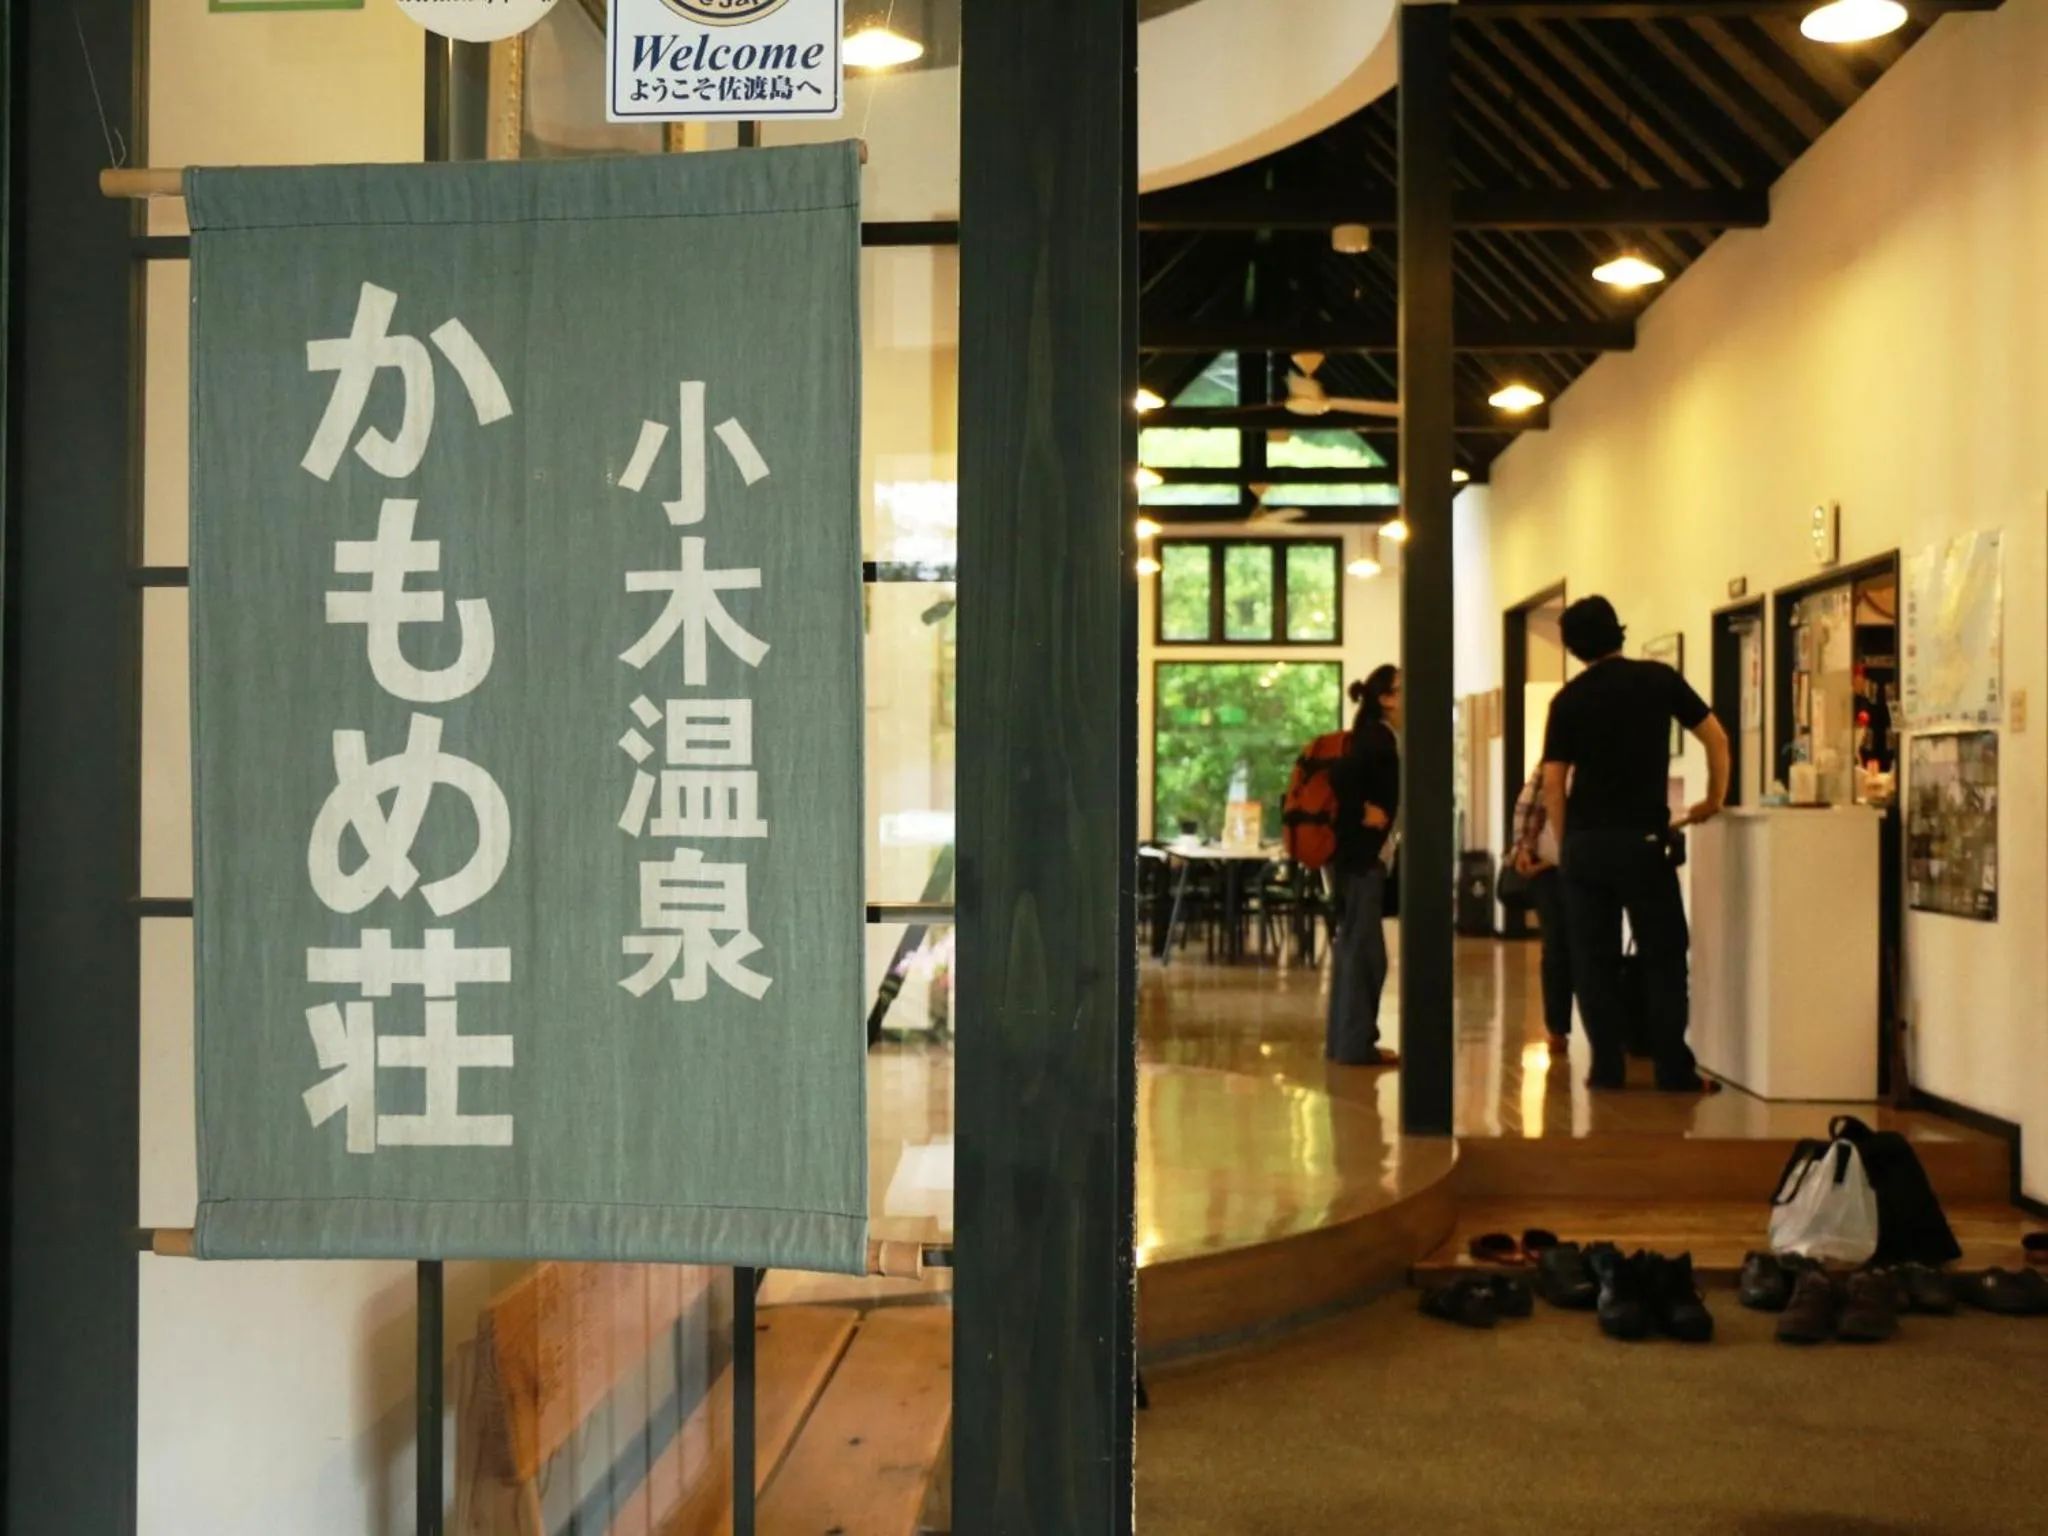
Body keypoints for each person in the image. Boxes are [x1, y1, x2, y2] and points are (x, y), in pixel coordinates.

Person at [1541, 597, 1729, 1093]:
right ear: (1618, 633)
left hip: (1585, 845)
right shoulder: (1658, 680)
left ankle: (1606, 1068)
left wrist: (1567, 845)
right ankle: (1672, 1069)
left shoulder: (1567, 701)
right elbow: (1716, 739)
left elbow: (1553, 783)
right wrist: (1713, 797)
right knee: (1665, 956)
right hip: (1643, 842)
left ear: (1575, 648)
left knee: (1592, 959)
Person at [1327, 665, 1402, 1068]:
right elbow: (1341, 775)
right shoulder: (1377, 740)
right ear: (1386, 699)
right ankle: (1355, 1045)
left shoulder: (1375, 736)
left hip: (1358, 860)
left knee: (1357, 950)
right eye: (1402, 690)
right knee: (1365, 954)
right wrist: (1361, 810)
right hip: (1361, 861)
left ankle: (1345, 1041)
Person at [1508, 762, 1573, 1053]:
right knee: (1556, 946)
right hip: (1548, 869)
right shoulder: (1552, 762)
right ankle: (1558, 1028)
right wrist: (1523, 847)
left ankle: (1604, 1032)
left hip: (1580, 863)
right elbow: (1529, 803)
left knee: (1588, 945)